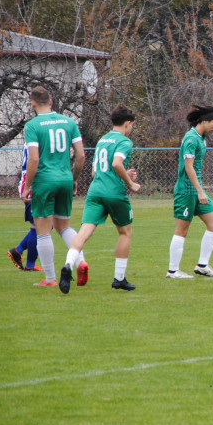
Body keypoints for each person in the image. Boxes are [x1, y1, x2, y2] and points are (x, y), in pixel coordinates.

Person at [59, 105, 141, 293]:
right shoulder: (125, 141)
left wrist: (122, 173)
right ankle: (119, 278)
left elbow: (97, 170)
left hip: (95, 191)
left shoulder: (103, 140)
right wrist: (129, 182)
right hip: (114, 193)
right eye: (132, 126)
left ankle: (68, 265)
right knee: (125, 232)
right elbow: (116, 163)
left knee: (84, 232)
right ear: (128, 123)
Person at [19, 86, 87, 288]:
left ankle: (49, 279)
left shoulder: (32, 126)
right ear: (52, 101)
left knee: (43, 231)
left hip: (45, 181)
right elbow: (81, 156)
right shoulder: (69, 122)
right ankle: (81, 261)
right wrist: (74, 178)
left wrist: (27, 187)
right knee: (64, 226)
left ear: (33, 104)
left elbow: (34, 159)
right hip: (65, 178)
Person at [167, 105, 213, 279]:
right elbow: (188, 167)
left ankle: (202, 266)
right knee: (182, 230)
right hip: (186, 191)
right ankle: (173, 271)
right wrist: (200, 191)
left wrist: (200, 191)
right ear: (204, 121)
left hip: (197, 191)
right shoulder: (191, 139)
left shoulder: (202, 137)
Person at [6, 145, 44, 273]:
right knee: (37, 227)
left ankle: (18, 250)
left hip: (37, 182)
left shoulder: (35, 133)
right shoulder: (36, 136)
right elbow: (34, 161)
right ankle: (30, 264)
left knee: (46, 226)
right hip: (33, 182)